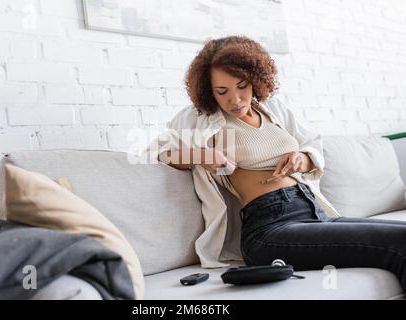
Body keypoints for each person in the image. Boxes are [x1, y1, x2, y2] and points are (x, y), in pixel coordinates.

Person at [144, 35, 406, 291]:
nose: (234, 100)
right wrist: (200, 155)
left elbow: (312, 142)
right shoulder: (199, 117)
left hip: (314, 212)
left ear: (256, 79)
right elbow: (158, 151)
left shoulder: (273, 109)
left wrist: (302, 159)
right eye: (222, 91)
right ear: (208, 90)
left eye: (242, 86)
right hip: (271, 228)